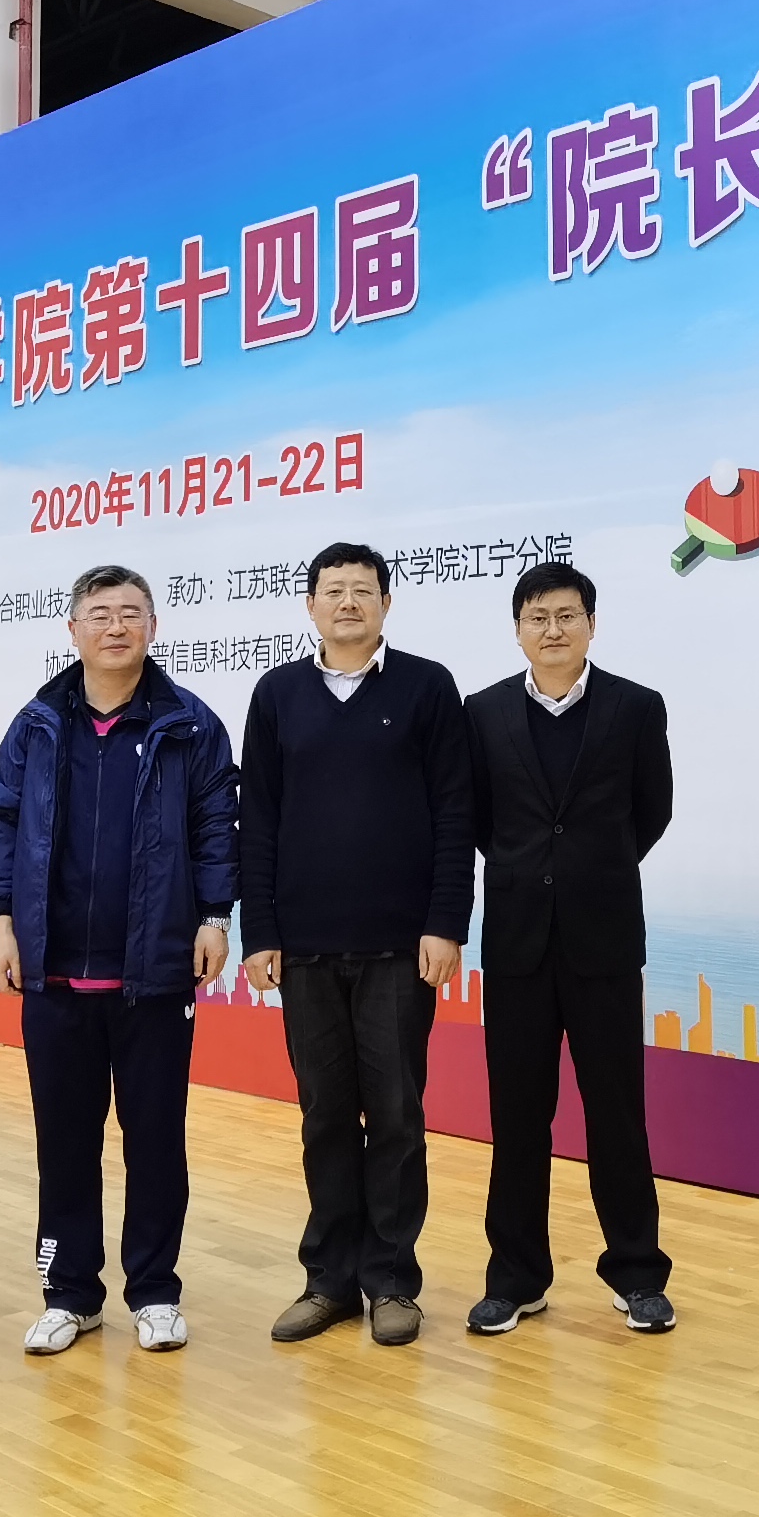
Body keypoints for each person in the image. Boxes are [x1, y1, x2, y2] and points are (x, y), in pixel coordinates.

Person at [0, 564, 237, 1357]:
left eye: (131, 613)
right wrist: (1, 921)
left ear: (153, 627)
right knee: (64, 1143)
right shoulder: (36, 724)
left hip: (153, 973)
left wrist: (214, 915)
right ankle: (70, 1295)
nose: (116, 626)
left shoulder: (189, 724)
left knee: (155, 1140)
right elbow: (0, 821)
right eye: (99, 613)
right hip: (54, 973)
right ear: (73, 630)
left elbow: (216, 824)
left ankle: (155, 1291)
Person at [238, 542, 471, 1346]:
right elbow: (258, 820)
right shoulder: (277, 695)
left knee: (398, 1115)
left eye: (362, 591)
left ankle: (393, 1281)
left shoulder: (427, 687)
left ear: (385, 604)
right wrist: (260, 931)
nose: (347, 602)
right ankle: (329, 1280)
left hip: (400, 948)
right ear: (309, 606)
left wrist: (445, 923)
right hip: (304, 948)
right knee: (325, 1116)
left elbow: (455, 814)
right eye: (332, 590)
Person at [462, 560, 678, 1337]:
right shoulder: (482, 712)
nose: (552, 629)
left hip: (604, 941)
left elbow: (652, 810)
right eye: (537, 617)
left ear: (591, 623)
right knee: (518, 1119)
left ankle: (637, 1275)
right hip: (518, 944)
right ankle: (516, 1279)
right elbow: (477, 818)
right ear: (518, 630)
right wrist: (532, 871)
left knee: (618, 1115)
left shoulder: (635, 707)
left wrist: (591, 869)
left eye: (566, 615)